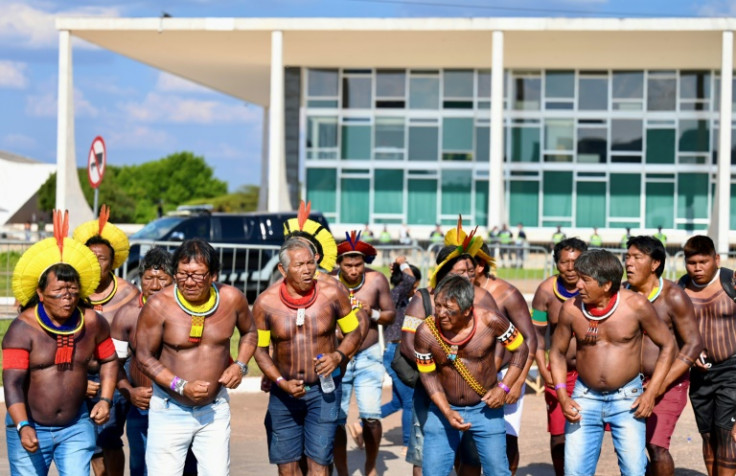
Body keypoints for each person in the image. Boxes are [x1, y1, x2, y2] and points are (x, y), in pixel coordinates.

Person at [3, 210, 118, 475]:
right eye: (58, 293)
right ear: (40, 293)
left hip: (76, 426)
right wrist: (23, 426)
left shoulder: (92, 323)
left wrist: (105, 399)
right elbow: (12, 382)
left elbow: (110, 360)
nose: (67, 298)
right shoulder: (21, 330)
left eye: (73, 292)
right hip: (30, 426)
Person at [135, 238, 258, 475]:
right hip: (169, 408)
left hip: (215, 408)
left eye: (197, 275)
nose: (188, 282)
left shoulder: (232, 299)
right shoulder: (159, 304)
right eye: (182, 274)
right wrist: (181, 386)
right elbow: (144, 357)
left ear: (213, 275)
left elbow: (250, 333)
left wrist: (240, 365)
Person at [549, 249, 676, 476]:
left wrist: (651, 392)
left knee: (634, 470)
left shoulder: (636, 306)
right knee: (574, 471)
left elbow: (668, 345)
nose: (578, 285)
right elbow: (557, 353)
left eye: (585, 280)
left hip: (628, 397)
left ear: (606, 284)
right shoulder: (571, 309)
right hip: (584, 398)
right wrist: (562, 395)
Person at [253, 238, 365, 475]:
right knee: (287, 468)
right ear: (283, 269)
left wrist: (338, 355)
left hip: (324, 390)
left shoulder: (333, 293)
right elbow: (259, 351)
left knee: (319, 464)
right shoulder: (265, 303)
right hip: (284, 394)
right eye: (299, 265)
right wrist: (280, 382)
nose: (307, 270)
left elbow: (354, 331)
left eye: (310, 263)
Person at [400, 219, 501, 476]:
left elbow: (503, 341)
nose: (468, 276)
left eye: (470, 271)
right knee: (427, 459)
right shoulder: (422, 298)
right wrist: (439, 368)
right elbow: (407, 344)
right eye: (459, 272)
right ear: (444, 272)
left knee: (471, 458)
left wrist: (491, 373)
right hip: (431, 393)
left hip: (475, 397)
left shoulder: (483, 299)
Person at [414, 274, 529, 476]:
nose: (441, 314)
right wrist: (446, 411)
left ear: (468, 310)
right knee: (432, 473)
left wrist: (504, 387)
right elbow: (428, 376)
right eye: (438, 306)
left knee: (498, 472)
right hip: (442, 410)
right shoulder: (425, 332)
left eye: (450, 310)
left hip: (486, 409)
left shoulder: (491, 321)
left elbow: (521, 349)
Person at [111, 247, 197, 476]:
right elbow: (113, 364)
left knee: (185, 467)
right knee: (142, 467)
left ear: (174, 280)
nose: (156, 285)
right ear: (140, 279)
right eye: (149, 278)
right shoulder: (126, 315)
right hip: (141, 407)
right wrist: (129, 391)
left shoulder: (188, 313)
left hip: (180, 405)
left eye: (162, 279)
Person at [624, 236, 702, 476]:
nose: (628, 263)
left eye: (637, 258)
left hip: (670, 383)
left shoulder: (673, 296)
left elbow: (693, 343)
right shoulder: (621, 293)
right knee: (630, 448)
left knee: (656, 446)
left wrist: (658, 386)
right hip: (629, 383)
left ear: (655, 263)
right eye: (627, 257)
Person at [73, 204, 140, 476]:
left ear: (113, 262)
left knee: (109, 439)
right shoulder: (71, 293)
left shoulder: (128, 294)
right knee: (85, 443)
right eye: (89, 257)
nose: (95, 263)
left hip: (114, 374)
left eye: (101, 258)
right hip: (76, 375)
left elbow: (137, 343)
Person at [333, 231, 396, 476]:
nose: (353, 270)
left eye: (358, 264)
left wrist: (373, 314)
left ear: (364, 263)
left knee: (371, 417)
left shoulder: (377, 281)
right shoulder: (329, 281)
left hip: (369, 355)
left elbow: (390, 315)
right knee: (336, 420)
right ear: (339, 264)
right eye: (348, 265)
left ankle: (370, 467)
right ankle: (343, 470)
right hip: (339, 358)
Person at [474, 243, 537, 475]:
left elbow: (530, 339)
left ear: (479, 265)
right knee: (466, 438)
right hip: (467, 375)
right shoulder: (456, 292)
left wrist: (517, 381)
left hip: (506, 374)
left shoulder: (506, 293)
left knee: (507, 435)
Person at [530, 237, 587, 476]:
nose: (570, 268)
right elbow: (537, 336)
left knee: (590, 432)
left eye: (576, 262)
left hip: (591, 374)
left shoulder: (596, 288)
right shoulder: (545, 291)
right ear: (556, 263)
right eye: (564, 262)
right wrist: (544, 371)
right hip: (559, 371)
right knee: (559, 435)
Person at [680, 235, 736, 475]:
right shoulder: (680, 289)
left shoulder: (731, 281)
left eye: (703, 261)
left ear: (716, 258)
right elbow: (672, 331)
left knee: (726, 434)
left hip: (732, 369)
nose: (697, 268)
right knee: (708, 434)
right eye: (692, 262)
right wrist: (689, 356)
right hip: (700, 374)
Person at [381, 256, 421, 454]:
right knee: (409, 401)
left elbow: (409, 281)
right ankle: (407, 443)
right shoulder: (394, 296)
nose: (416, 289)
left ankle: (362, 426)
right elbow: (409, 280)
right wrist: (403, 262)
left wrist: (398, 269)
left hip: (398, 352)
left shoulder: (402, 299)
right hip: (396, 353)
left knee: (397, 401)